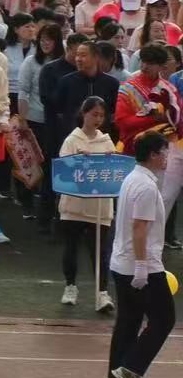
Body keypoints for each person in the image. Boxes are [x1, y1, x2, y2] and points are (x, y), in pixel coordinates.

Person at [107, 130, 174, 378]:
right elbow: (139, 228)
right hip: (141, 265)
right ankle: (131, 369)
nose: (167, 157)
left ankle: (115, 377)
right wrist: (142, 267)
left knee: (129, 320)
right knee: (164, 318)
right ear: (154, 155)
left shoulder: (132, 179)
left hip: (121, 263)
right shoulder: (146, 186)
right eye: (165, 152)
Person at [57, 95, 116, 312]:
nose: (98, 119)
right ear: (84, 114)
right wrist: (77, 160)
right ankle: (70, 287)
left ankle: (102, 293)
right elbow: (62, 170)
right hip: (74, 206)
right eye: (94, 114)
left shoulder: (107, 141)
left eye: (101, 115)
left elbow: (114, 173)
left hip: (99, 207)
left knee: (100, 252)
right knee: (71, 247)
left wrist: (110, 160)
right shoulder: (72, 140)